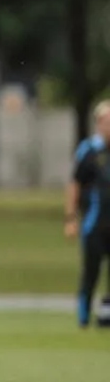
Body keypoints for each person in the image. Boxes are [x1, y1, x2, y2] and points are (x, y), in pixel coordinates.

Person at [64, 100, 110, 329]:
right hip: (94, 223)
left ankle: (107, 316)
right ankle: (83, 317)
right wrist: (71, 218)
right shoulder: (89, 151)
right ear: (100, 123)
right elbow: (75, 185)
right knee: (91, 271)